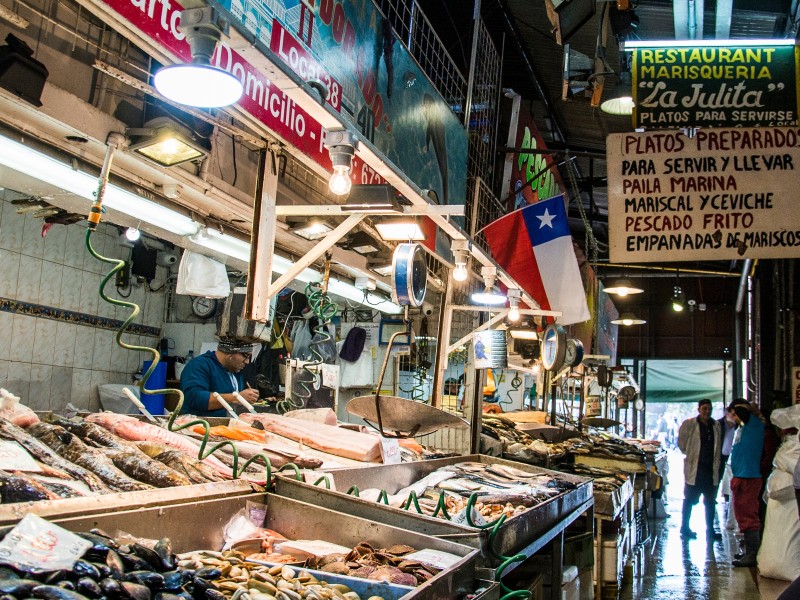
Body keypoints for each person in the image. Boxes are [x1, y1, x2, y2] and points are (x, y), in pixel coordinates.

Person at [179, 337, 260, 417]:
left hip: (228, 426)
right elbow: (195, 398)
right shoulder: (199, 365)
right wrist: (237, 398)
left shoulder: (235, 371)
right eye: (245, 356)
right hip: (200, 426)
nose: (247, 362)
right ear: (230, 353)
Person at [677, 398, 723, 539]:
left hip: (710, 470)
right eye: (704, 409)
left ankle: (710, 530)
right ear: (699, 409)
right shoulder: (690, 424)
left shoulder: (715, 425)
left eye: (709, 409)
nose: (707, 412)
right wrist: (691, 454)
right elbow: (682, 443)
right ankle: (685, 527)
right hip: (695, 469)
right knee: (689, 499)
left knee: (710, 501)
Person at [729, 398, 765, 568]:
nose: (734, 417)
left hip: (749, 476)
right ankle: (748, 550)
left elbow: (743, 411)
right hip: (741, 475)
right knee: (742, 515)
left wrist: (743, 407)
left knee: (749, 515)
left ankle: (752, 553)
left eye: (735, 413)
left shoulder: (754, 424)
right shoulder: (743, 428)